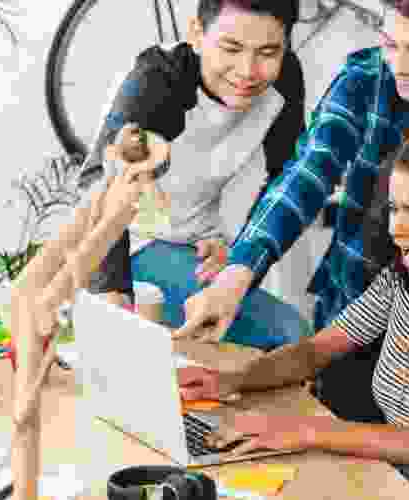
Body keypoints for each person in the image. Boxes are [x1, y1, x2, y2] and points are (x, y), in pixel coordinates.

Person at [174, 0, 409, 424]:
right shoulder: (365, 77)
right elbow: (306, 175)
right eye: (390, 44)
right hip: (355, 303)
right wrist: (235, 277)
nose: (399, 66)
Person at [177, 111, 409, 500]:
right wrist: (232, 380)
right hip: (396, 487)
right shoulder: (403, 282)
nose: (397, 229)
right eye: (394, 209)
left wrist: (304, 430)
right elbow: (315, 352)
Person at [76, 0, 314, 350]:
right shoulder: (158, 79)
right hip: (132, 243)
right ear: (197, 35)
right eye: (231, 48)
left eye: (268, 51)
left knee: (290, 345)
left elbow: (285, 182)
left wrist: (240, 256)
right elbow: (98, 180)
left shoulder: (285, 80)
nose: (247, 70)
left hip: (199, 247)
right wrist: (114, 297)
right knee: (288, 336)